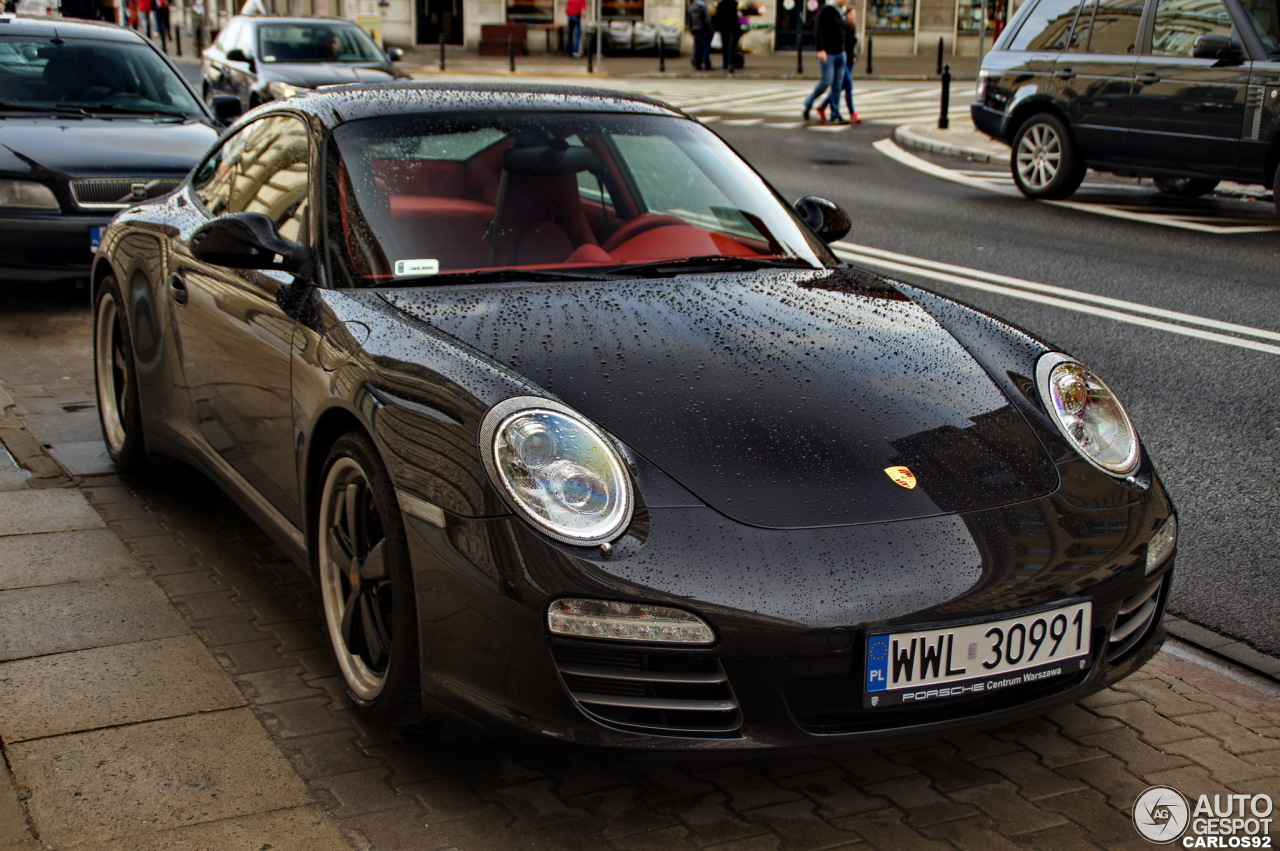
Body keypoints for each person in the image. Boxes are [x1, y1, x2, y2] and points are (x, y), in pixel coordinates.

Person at [802, 0, 848, 124]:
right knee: (827, 81)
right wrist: (820, 49)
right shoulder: (826, 10)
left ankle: (835, 114)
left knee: (837, 85)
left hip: (840, 52)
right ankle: (809, 102)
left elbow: (844, 31)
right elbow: (818, 30)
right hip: (828, 53)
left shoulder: (841, 12)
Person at [818, 4, 860, 124]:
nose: (853, 17)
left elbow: (852, 45)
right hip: (843, 60)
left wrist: (855, 55)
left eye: (854, 15)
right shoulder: (844, 27)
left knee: (840, 87)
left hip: (850, 61)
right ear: (846, 16)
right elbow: (842, 43)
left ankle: (823, 106)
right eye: (851, 14)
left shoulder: (852, 27)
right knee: (848, 86)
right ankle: (852, 113)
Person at [713, 0, 741, 72]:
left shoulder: (721, 5)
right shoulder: (734, 4)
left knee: (725, 46)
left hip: (724, 28)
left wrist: (717, 28)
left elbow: (718, 17)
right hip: (733, 27)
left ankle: (726, 63)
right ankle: (731, 63)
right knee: (733, 46)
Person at [687, 0, 712, 70]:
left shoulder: (691, 8)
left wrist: (691, 28)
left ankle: (698, 64)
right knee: (705, 47)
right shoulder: (703, 7)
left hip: (695, 29)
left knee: (697, 47)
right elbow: (708, 19)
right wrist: (709, 28)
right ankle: (707, 64)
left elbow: (690, 21)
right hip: (703, 29)